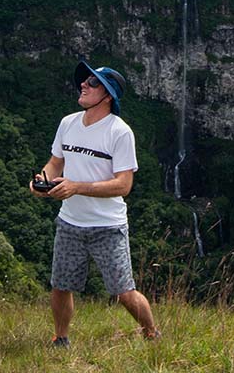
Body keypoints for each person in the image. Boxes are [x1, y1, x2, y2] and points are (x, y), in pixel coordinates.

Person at [29, 60, 159, 347]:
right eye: (84, 81)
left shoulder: (119, 132)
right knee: (61, 286)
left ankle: (151, 332)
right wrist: (42, 180)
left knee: (123, 292)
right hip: (70, 222)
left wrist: (77, 187)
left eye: (93, 83)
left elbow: (124, 185)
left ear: (107, 95)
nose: (83, 85)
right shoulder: (68, 123)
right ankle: (61, 338)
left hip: (108, 226)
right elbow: (55, 162)